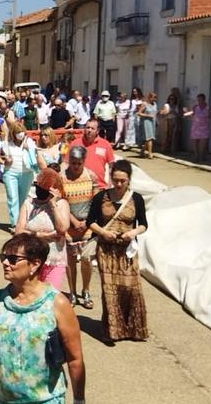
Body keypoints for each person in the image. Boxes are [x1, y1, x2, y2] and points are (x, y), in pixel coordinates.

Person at [0, 234, 88, 404]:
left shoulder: (56, 302)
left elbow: (75, 359)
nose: (5, 262)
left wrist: (79, 403)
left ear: (35, 264)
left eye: (12, 259)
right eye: (3, 257)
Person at [87, 159, 149, 343]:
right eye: (116, 180)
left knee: (131, 289)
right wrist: (103, 232)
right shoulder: (101, 197)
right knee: (110, 290)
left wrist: (133, 232)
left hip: (127, 251)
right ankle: (112, 331)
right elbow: (90, 221)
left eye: (123, 180)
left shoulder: (136, 198)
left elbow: (144, 224)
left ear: (129, 179)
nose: (119, 184)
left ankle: (133, 329)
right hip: (106, 251)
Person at [14, 168, 71, 291]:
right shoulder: (29, 204)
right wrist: (40, 235)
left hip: (54, 260)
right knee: (31, 294)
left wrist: (52, 204)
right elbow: (18, 231)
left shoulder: (61, 204)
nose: (40, 191)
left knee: (50, 295)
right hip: (31, 259)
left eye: (45, 189)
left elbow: (62, 229)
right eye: (38, 187)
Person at [62, 146, 100, 308]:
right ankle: (72, 292)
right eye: (73, 163)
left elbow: (97, 202)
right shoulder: (61, 177)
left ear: (84, 161)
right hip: (69, 226)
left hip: (88, 226)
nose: (76, 166)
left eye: (79, 163)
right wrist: (73, 221)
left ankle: (85, 290)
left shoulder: (91, 176)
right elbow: (60, 202)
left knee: (86, 259)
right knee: (70, 261)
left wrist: (87, 222)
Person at [0, 121, 37, 226]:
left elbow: (35, 156)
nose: (20, 134)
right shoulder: (7, 144)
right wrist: (5, 161)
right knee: (12, 198)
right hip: (11, 173)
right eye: (17, 132)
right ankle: (15, 224)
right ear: (13, 133)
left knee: (23, 199)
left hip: (26, 174)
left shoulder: (29, 142)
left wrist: (28, 148)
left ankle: (22, 222)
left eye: (21, 131)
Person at [70, 119, 115, 189]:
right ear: (84, 129)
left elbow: (112, 166)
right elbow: (66, 163)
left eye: (92, 128)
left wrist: (109, 184)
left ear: (97, 131)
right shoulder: (75, 143)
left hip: (99, 187)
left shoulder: (105, 145)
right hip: (78, 186)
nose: (89, 130)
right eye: (87, 127)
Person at [183, 93, 211, 163]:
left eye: (200, 100)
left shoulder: (208, 107)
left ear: (204, 100)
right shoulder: (195, 107)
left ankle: (201, 156)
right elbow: (192, 114)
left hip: (204, 127)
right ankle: (196, 156)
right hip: (195, 127)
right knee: (195, 142)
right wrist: (186, 114)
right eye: (198, 100)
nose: (199, 101)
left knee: (202, 144)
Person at [158, 89, 183, 153]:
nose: (171, 100)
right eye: (170, 99)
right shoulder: (166, 105)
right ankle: (164, 148)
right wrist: (168, 112)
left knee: (174, 136)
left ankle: (173, 149)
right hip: (168, 120)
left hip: (175, 120)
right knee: (167, 135)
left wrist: (175, 112)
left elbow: (181, 114)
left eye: (173, 99)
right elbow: (162, 113)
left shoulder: (177, 106)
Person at [137, 92, 158, 158]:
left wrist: (157, 121)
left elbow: (155, 114)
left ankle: (142, 151)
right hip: (146, 122)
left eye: (155, 98)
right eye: (153, 97)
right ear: (149, 97)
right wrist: (148, 115)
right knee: (149, 138)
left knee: (149, 138)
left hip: (153, 122)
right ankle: (150, 153)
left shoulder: (155, 104)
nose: (154, 99)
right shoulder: (145, 104)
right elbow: (139, 113)